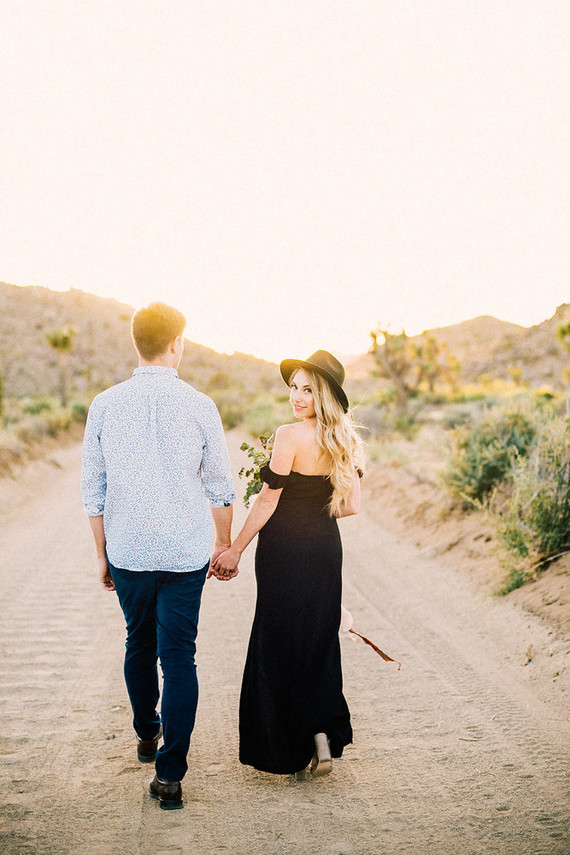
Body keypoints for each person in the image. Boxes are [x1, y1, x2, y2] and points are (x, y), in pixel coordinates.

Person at [81, 302, 235, 809]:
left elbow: (94, 490)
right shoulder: (200, 405)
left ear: (136, 343)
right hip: (185, 553)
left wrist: (102, 555)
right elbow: (220, 487)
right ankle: (170, 776)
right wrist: (222, 544)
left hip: (128, 549)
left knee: (138, 642)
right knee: (179, 657)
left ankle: (147, 733)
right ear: (177, 343)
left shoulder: (104, 405)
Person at [212, 350, 363, 778]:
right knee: (317, 639)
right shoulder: (346, 441)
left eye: (307, 390)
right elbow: (351, 506)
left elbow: (267, 500)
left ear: (324, 395)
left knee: (279, 639)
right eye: (293, 387)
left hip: (283, 551)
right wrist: (315, 515)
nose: (296, 396)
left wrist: (234, 549)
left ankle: (286, 746)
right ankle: (321, 734)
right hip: (325, 549)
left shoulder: (288, 436)